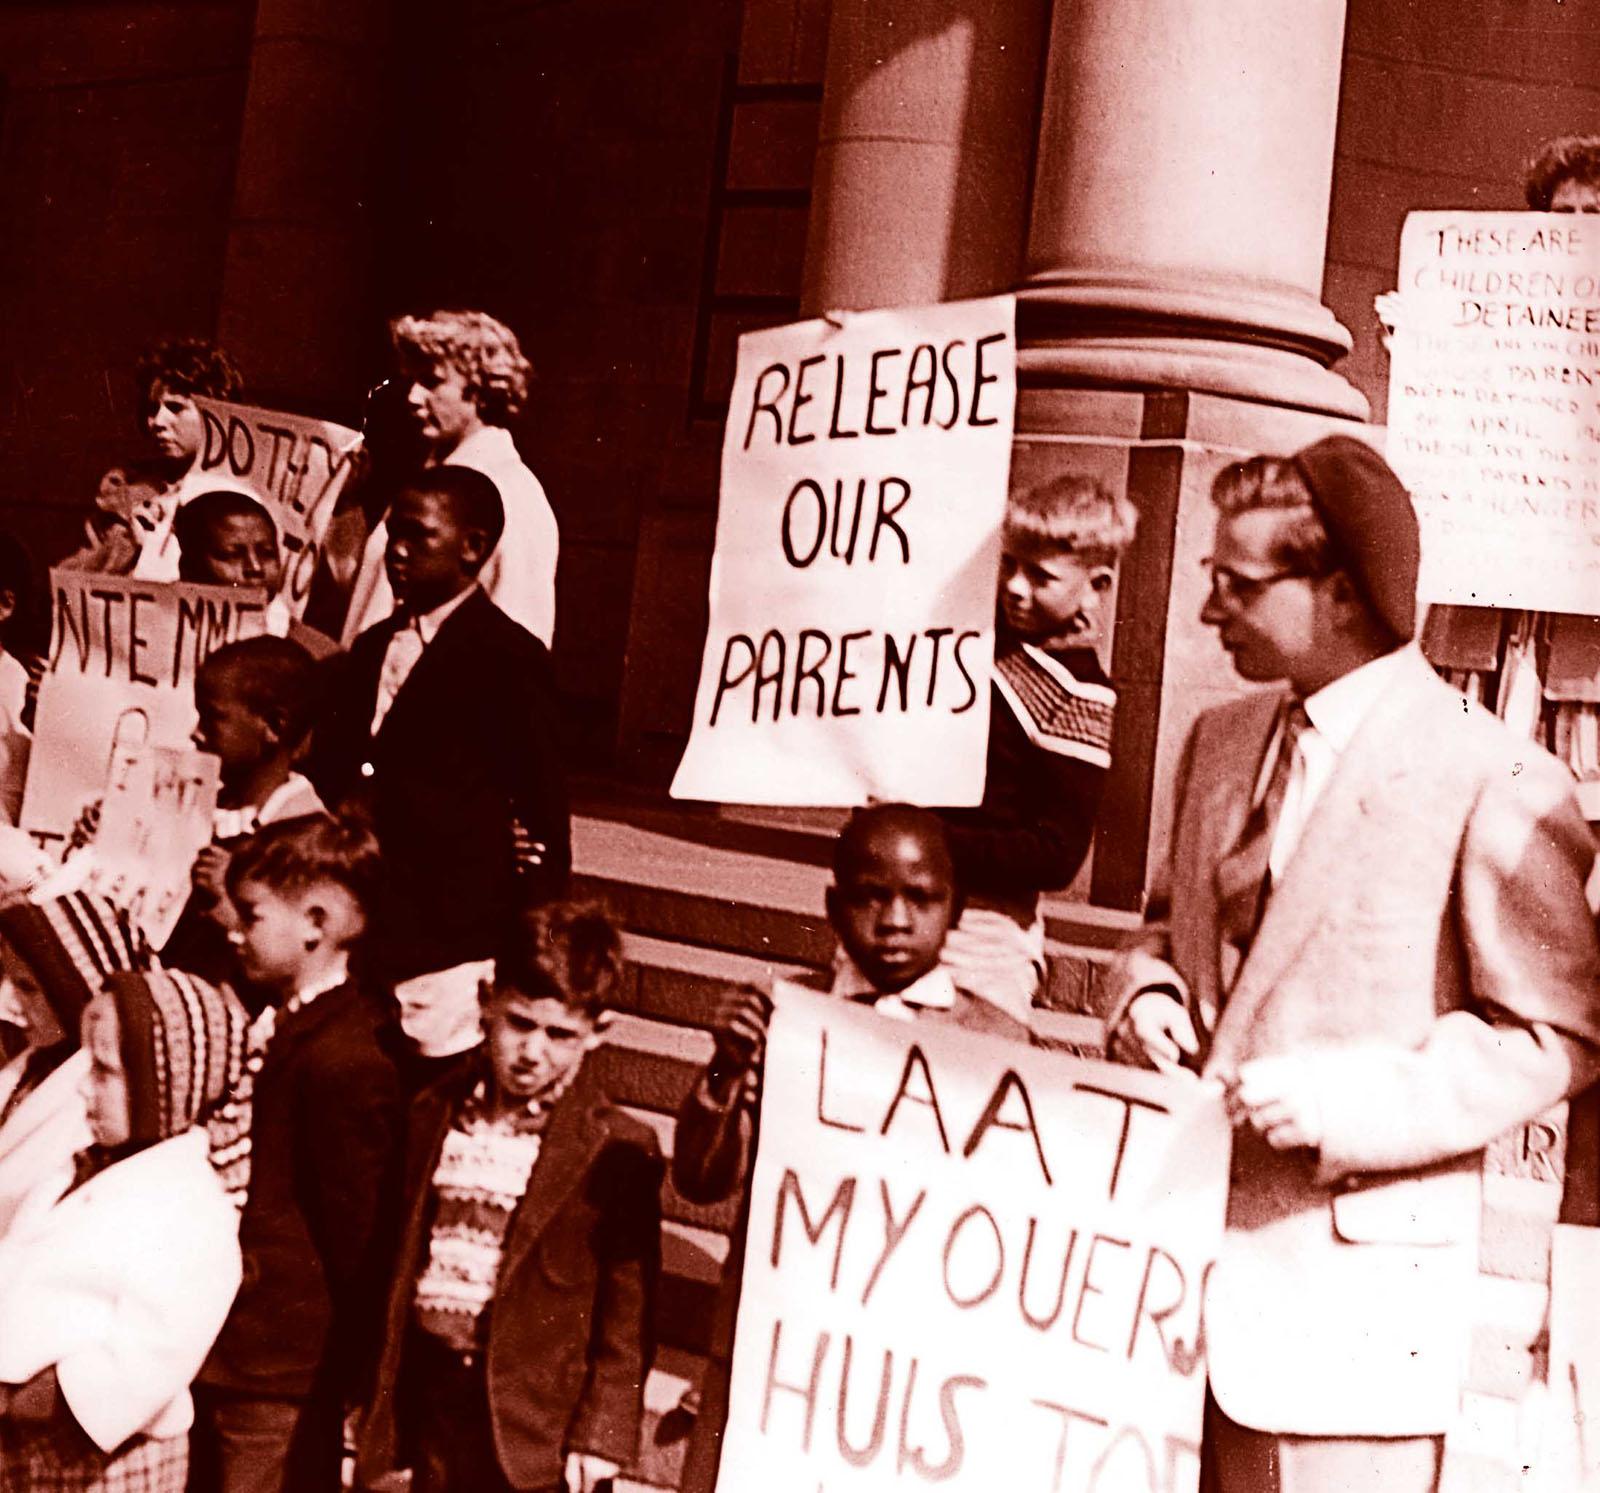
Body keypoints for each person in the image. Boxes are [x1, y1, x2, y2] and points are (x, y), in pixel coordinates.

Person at [1104, 436, 1600, 1493]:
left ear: (1334, 593)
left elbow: (1556, 1032)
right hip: (1168, 1299)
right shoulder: (1217, 739)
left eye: (1234, 586)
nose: (1208, 612)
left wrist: (1355, 1100)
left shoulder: (1495, 770)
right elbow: (1160, 928)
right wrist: (1143, 992)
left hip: (1349, 1323)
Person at [671, 804, 1026, 1493]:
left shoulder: (997, 1041)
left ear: (955, 913)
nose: (895, 919)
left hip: (913, 1370)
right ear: (835, 906)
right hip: (785, 1353)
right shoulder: (783, 1018)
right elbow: (700, 1179)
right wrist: (725, 1067)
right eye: (871, 895)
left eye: (921, 898)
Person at [355, 902, 659, 1493]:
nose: (533, 1052)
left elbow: (626, 1312)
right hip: (433, 1396)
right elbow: (398, 1257)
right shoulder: (432, 1114)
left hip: (532, 1422)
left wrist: (600, 1434)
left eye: (560, 1035)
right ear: (487, 1001)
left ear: (598, 1033)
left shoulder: (615, 1148)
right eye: (519, 1023)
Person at [308, 465, 570, 1076]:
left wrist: (534, 952)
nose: (397, 552)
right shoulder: (371, 649)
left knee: (426, 1078)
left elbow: (542, 813)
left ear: (472, 548)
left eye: (419, 536)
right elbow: (334, 771)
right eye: (392, 533)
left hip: (452, 931)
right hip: (365, 917)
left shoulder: (510, 660)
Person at [189, 813, 402, 1493]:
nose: (233, 929)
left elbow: (357, 1232)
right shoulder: (289, 1020)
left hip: (280, 1359)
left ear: (316, 922)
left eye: (251, 915)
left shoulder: (345, 1055)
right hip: (241, 1346)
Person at [0, 968, 249, 1491]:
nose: (83, 1087)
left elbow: (149, 1355)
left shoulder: (192, 1209)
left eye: (105, 1072)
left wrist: (28, 1400)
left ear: (168, 1088)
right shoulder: (81, 1167)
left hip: (92, 1457)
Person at [936, 474, 1134, 1026]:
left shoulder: (1081, 693)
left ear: (1096, 585)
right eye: (1008, 565)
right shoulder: (967, 643)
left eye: (1040, 576)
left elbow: (1056, 853)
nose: (1015, 588)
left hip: (980, 935)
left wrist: (930, 840)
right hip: (896, 901)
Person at [341, 309, 558, 648]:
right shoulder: (428, 482)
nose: (413, 397)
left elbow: (519, 643)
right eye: (412, 381)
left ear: (481, 391)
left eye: (432, 382)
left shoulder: (512, 495)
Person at [163, 636, 327, 987]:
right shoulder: (201, 808)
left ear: (273, 727)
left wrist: (235, 911)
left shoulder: (306, 843)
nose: (197, 733)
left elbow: (298, 969)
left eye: (213, 718)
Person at [0, 889, 150, 1238]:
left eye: (28, 988)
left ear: (75, 994)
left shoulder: (91, 1104)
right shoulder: (34, 1065)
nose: (7, 1002)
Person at [62, 338, 243, 578]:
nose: (157, 422)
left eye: (175, 408)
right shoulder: (126, 495)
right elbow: (74, 583)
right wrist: (129, 547)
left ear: (216, 414)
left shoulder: (246, 500)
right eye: (152, 409)